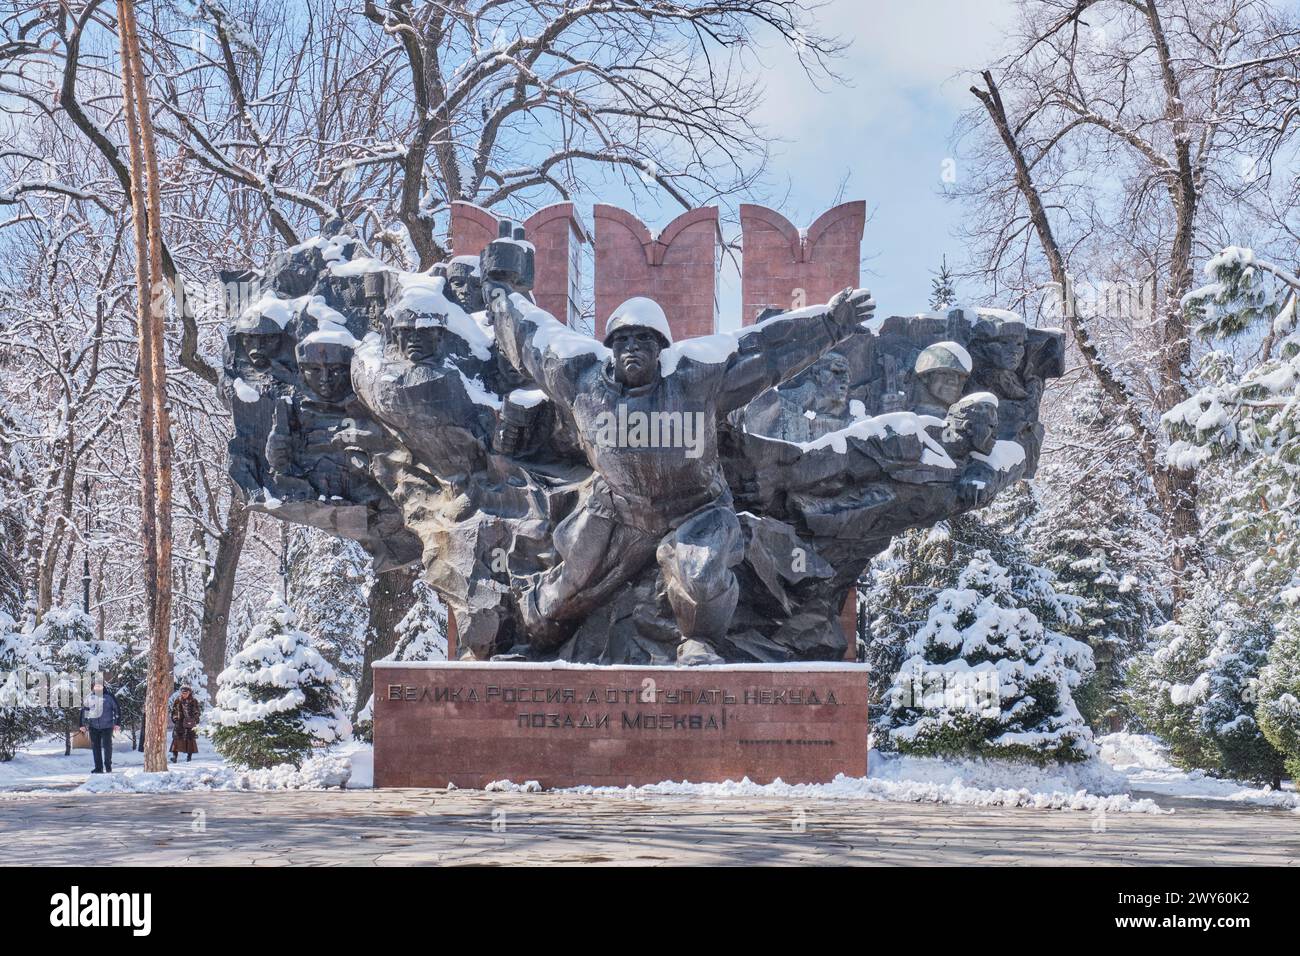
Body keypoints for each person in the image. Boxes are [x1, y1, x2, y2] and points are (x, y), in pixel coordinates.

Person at [488, 278, 874, 664]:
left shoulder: (696, 378)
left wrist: (831, 324)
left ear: (661, 348)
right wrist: (501, 300)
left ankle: (700, 642)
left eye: (643, 340)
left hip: (697, 509)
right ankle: (533, 646)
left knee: (700, 571)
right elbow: (531, 339)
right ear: (609, 349)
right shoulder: (579, 380)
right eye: (622, 341)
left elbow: (765, 352)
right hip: (620, 510)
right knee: (565, 591)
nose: (632, 349)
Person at [78, 679, 121, 774]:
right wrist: (82, 724)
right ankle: (98, 768)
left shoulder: (109, 697)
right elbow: (84, 711)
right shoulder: (89, 697)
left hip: (107, 726)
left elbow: (117, 709)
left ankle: (108, 766)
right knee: (96, 748)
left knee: (107, 747)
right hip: (93, 726)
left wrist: (117, 723)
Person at [170, 687, 201, 763]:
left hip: (190, 723)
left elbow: (197, 711)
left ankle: (189, 757)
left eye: (186, 693)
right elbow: (174, 710)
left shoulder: (194, 701)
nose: (184, 694)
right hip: (180, 723)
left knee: (190, 740)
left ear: (189, 693)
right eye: (183, 693)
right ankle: (174, 757)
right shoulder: (178, 700)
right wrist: (175, 718)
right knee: (176, 739)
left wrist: (195, 719)